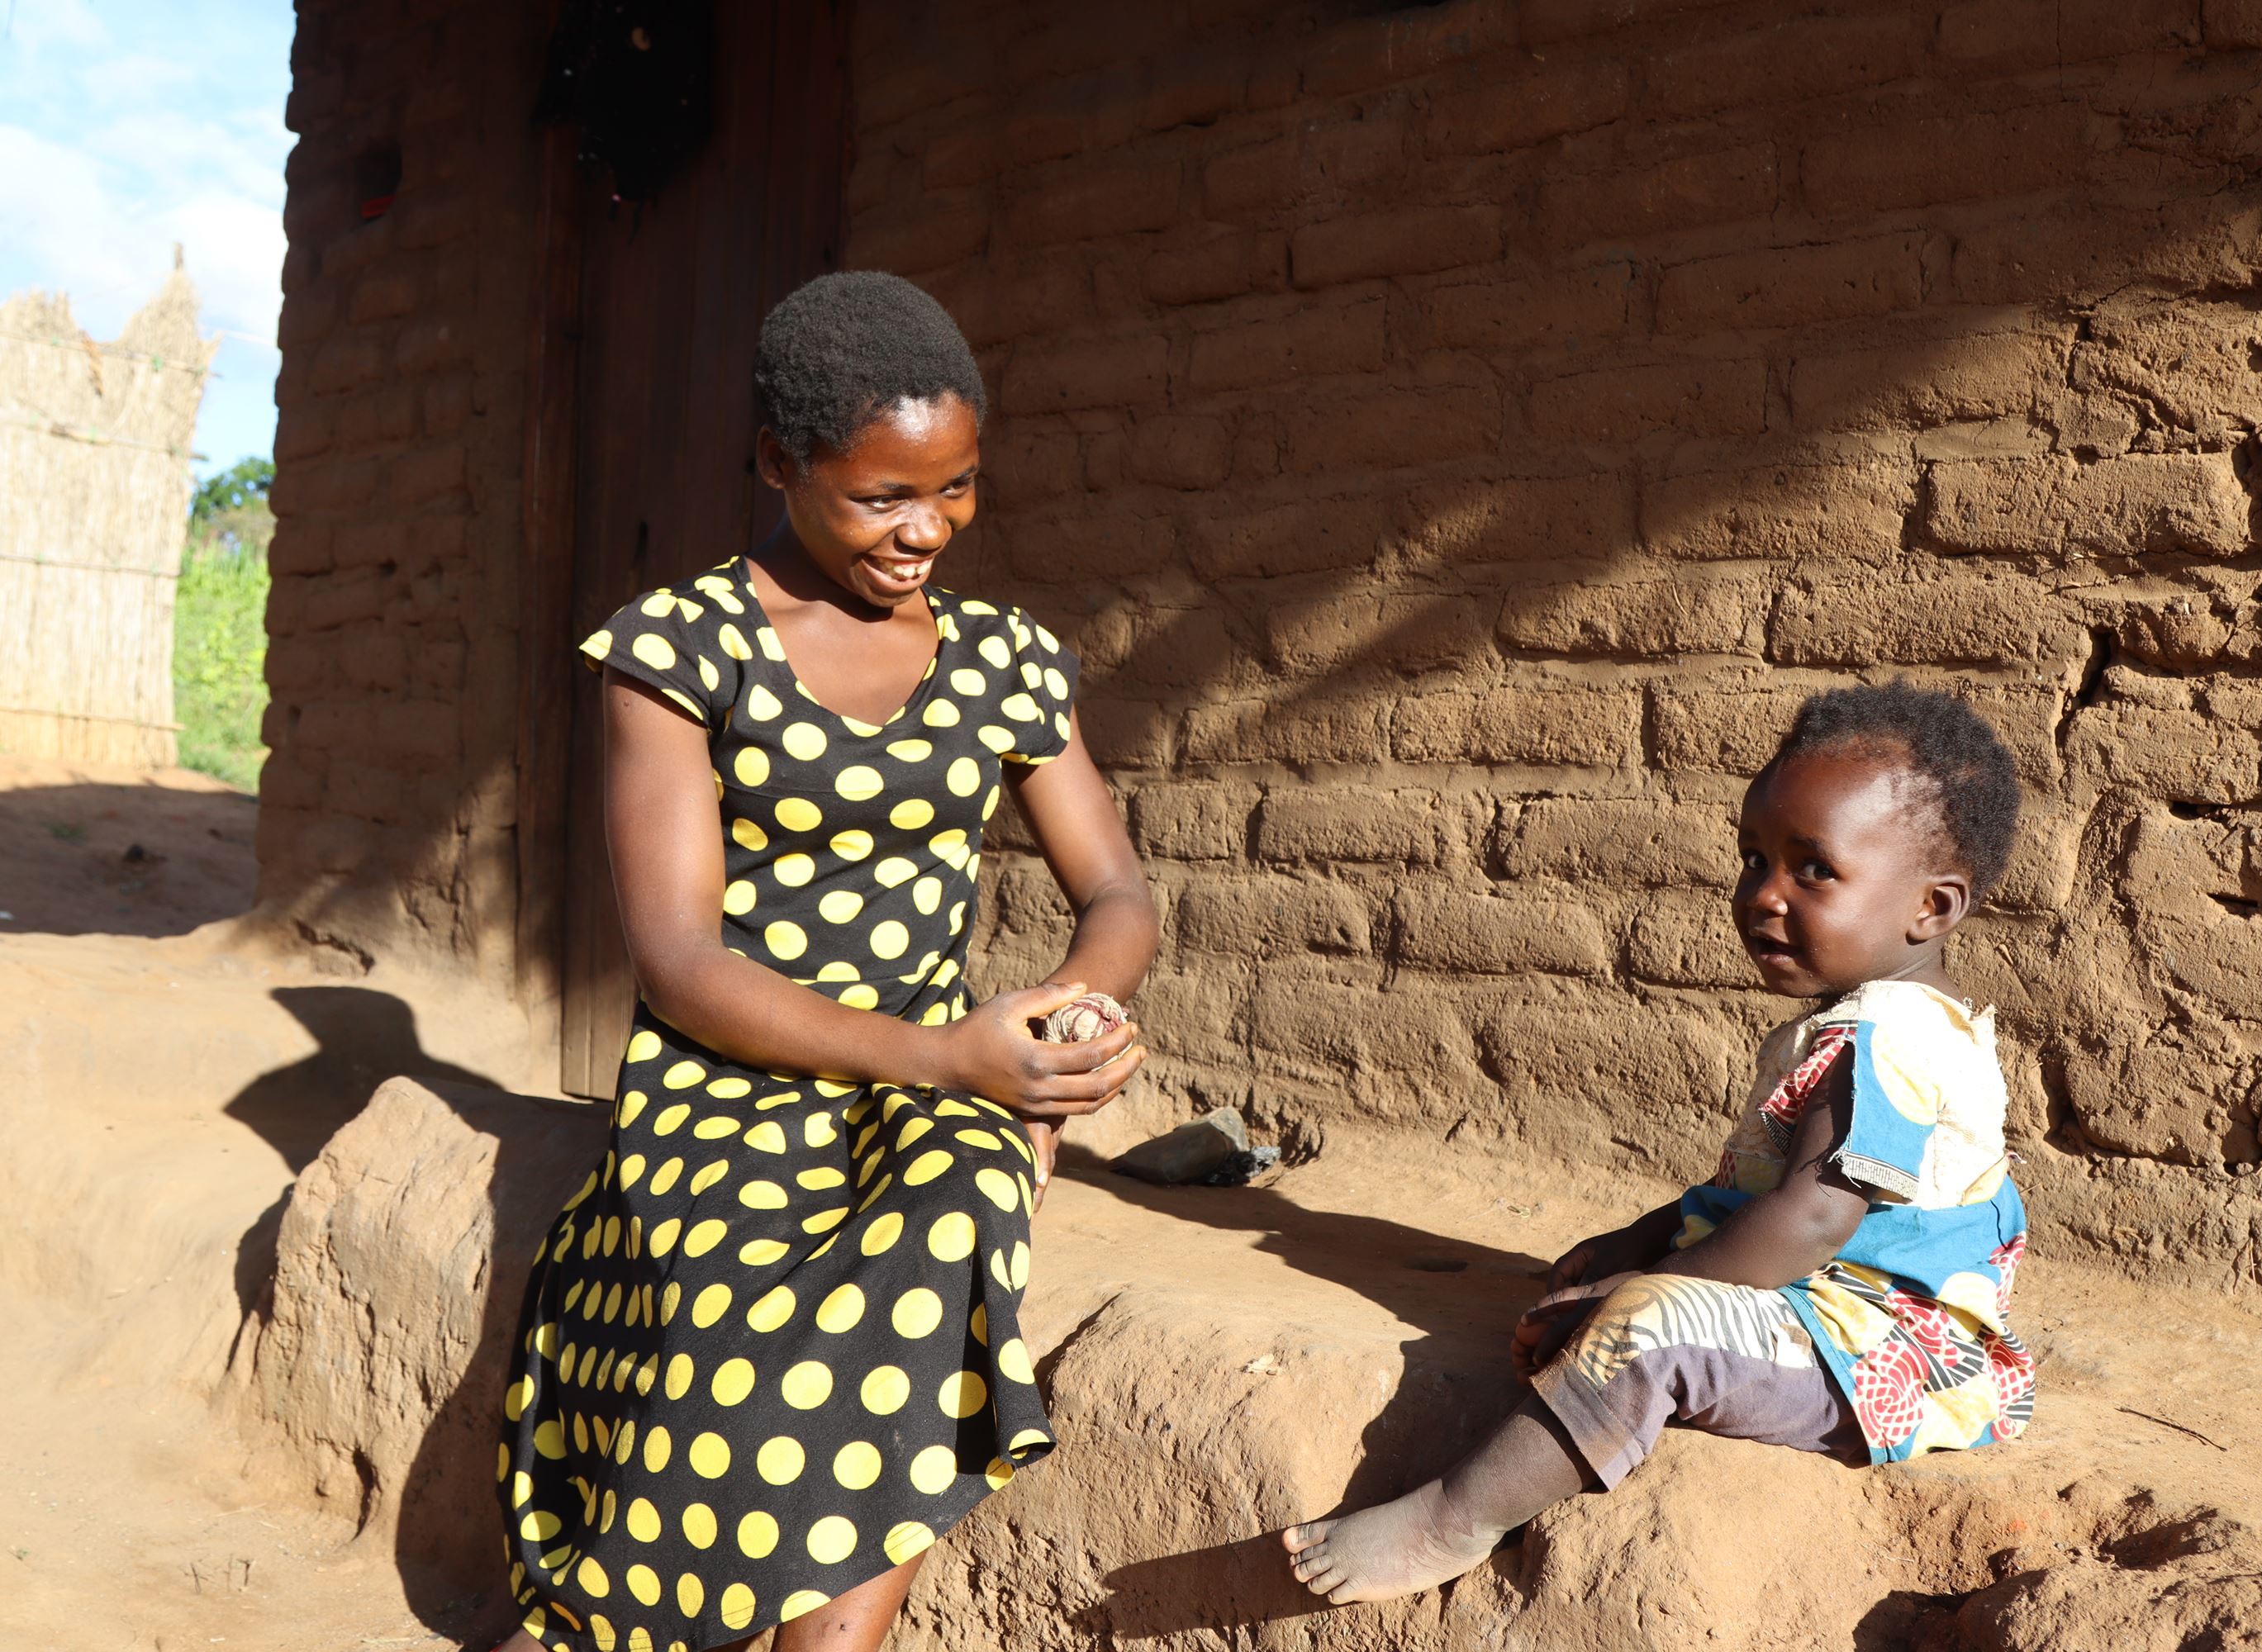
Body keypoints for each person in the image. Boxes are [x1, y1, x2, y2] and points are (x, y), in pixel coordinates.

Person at [492, 272, 1157, 1652]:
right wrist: (953, 1053)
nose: (927, 532)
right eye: (881, 499)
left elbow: (1115, 889)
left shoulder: (1002, 660)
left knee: (943, 1220)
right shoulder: (681, 651)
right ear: (777, 462)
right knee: (731, 1295)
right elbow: (678, 962)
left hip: (929, 1079)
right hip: (726, 1073)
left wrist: (1072, 1016)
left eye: (958, 489)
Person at [1281, 681, 2036, 1603]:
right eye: (1754, 859)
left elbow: (1808, 1222)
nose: (1765, 896)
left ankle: (1454, 1518)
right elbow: (1761, 1193)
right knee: (1615, 1277)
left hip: (1880, 1354)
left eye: (1813, 870)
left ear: (1933, 906)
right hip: (1829, 1309)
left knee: (1645, 1329)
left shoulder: (1891, 1036)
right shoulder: (1878, 1018)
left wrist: (1636, 1287)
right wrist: (1638, 1242)